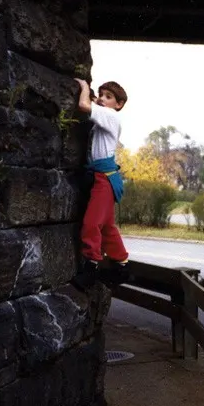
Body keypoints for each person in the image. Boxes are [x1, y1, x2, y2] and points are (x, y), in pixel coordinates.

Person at [73, 77, 130, 289]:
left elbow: (83, 105)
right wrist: (97, 98)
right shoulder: (105, 117)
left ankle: (91, 267)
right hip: (103, 176)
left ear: (119, 104)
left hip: (104, 178)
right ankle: (122, 265)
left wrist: (85, 88)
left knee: (91, 223)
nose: (103, 100)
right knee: (106, 226)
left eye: (109, 97)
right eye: (102, 95)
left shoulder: (110, 115)